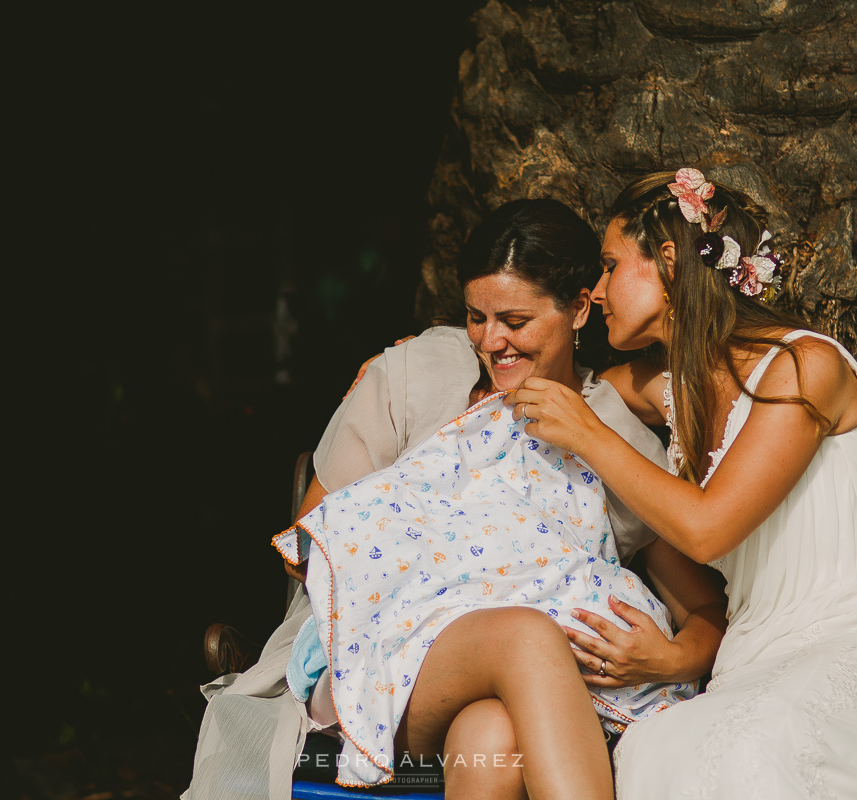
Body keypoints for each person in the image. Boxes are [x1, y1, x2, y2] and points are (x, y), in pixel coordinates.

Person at [185, 198, 728, 800]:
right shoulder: (418, 371)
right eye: (476, 317)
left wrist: (672, 662)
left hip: (510, 697)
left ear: (578, 308)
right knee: (525, 636)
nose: (491, 341)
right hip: (377, 666)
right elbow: (315, 538)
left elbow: (702, 612)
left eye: (515, 322)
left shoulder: (609, 432)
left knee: (493, 742)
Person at [508, 169, 857, 798]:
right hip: (755, 659)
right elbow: (561, 390)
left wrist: (588, 434)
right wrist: (438, 352)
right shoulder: (671, 386)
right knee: (658, 746)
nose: (599, 290)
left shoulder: (805, 366)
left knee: (757, 747)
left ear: (668, 261)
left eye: (610, 266)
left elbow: (706, 525)